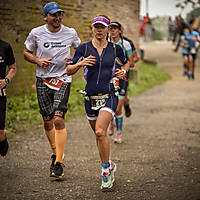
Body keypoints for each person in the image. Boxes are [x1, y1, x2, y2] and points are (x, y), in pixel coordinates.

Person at [66, 15, 128, 190]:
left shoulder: (116, 49)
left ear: (108, 30)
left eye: (103, 27)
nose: (99, 30)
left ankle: (105, 172)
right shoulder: (84, 49)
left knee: (101, 132)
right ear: (92, 29)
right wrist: (81, 63)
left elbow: (124, 66)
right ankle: (109, 163)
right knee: (98, 135)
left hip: (109, 95)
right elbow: (68, 70)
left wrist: (121, 73)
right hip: (90, 98)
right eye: (96, 27)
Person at [24, 2, 81, 178]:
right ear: (45, 17)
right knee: (47, 120)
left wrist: (76, 60)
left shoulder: (70, 32)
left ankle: (58, 162)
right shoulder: (36, 33)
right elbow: (26, 52)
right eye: (54, 15)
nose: (57, 18)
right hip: (43, 79)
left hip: (63, 78)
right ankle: (56, 152)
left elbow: (81, 50)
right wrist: (37, 61)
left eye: (59, 15)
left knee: (58, 119)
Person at [108, 21, 134, 143]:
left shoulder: (126, 44)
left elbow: (130, 61)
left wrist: (123, 70)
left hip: (122, 78)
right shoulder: (106, 44)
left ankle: (118, 134)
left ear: (120, 31)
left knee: (118, 107)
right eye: (110, 28)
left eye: (115, 28)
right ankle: (111, 122)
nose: (112, 31)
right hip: (109, 78)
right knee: (109, 105)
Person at [0, 40, 16, 156]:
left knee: (0, 133)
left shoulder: (5, 46)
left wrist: (6, 80)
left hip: (0, 95)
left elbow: (13, 68)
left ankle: (3, 139)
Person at [123, 36, 139, 117]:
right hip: (110, 74)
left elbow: (136, 58)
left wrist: (128, 64)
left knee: (124, 97)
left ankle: (126, 105)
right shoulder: (107, 42)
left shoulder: (127, 42)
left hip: (124, 73)